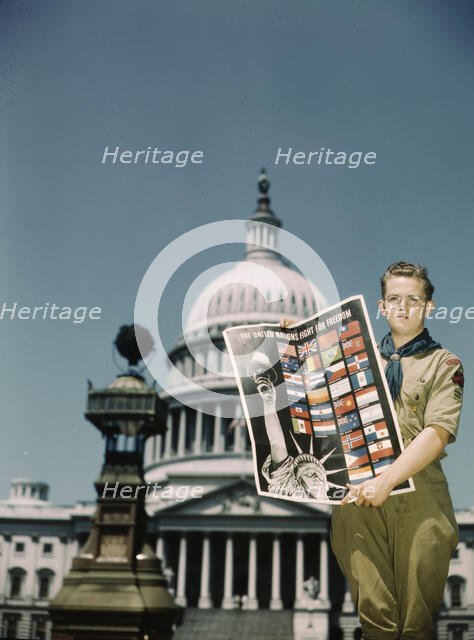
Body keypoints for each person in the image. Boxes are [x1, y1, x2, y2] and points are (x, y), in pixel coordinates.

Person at [330, 262, 463, 640]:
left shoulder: (445, 363)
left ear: (429, 307)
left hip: (419, 503)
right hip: (359, 502)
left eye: (413, 299)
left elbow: (437, 433)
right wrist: (291, 340)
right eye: (394, 299)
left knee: (415, 625)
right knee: (376, 623)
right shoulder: (354, 361)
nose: (403, 308)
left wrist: (386, 480)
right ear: (381, 307)